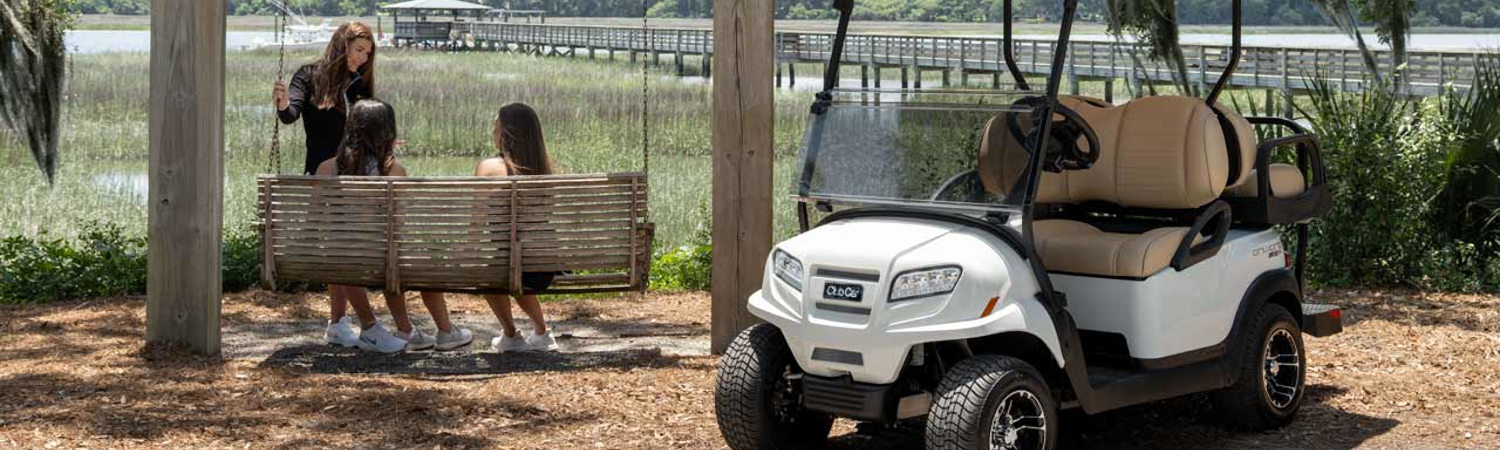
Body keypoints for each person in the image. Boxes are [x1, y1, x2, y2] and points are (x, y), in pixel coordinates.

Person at [316, 99, 475, 353]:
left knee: (346, 253)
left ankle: (400, 330)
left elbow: (316, 221)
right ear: (387, 133)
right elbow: (397, 225)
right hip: (380, 258)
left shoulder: (326, 169)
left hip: (340, 259)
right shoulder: (393, 172)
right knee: (403, 257)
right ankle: (440, 330)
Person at [271, 21, 377, 348]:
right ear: (341, 44)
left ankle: (337, 323)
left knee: (339, 251)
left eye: (367, 53)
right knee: (341, 251)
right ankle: (363, 325)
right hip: (322, 175)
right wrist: (282, 104)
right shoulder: (309, 76)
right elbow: (291, 115)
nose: (362, 59)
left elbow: (366, 127)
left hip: (353, 177)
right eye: (359, 50)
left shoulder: (359, 83)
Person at [475, 103, 559, 353]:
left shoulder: (489, 168)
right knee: (519, 266)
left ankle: (511, 334)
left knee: (498, 271)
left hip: (506, 266)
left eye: (496, 126)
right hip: (544, 266)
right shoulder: (546, 170)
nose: (493, 131)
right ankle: (542, 332)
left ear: (505, 133)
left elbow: (475, 223)